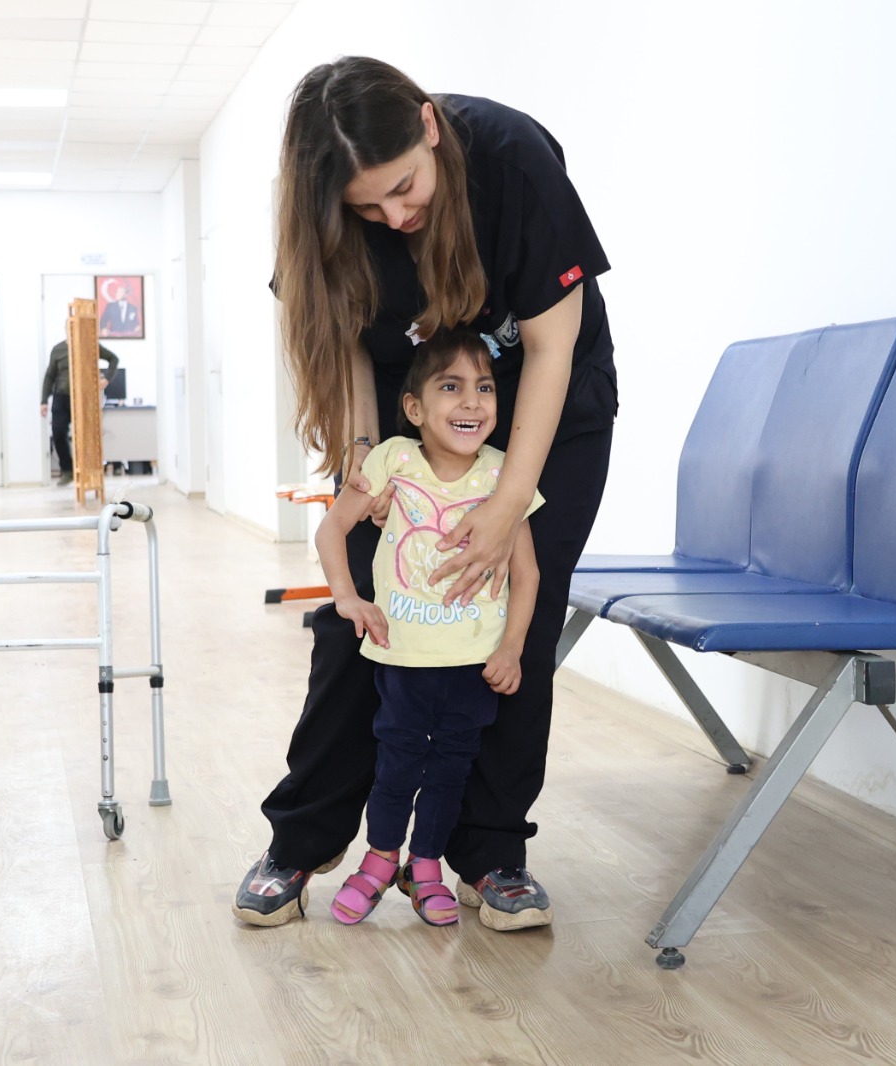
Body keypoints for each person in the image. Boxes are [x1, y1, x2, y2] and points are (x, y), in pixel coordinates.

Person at [234, 57, 616, 933]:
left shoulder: (512, 161)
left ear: (429, 126)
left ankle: (489, 852)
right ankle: (303, 838)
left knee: (516, 613)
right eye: (369, 209)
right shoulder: (322, 219)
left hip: (544, 405)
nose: (397, 218)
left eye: (405, 189)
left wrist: (507, 505)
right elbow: (346, 344)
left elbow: (552, 348)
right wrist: (362, 460)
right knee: (361, 614)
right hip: (407, 408)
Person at [317, 331, 541, 927]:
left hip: (472, 664)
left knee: (449, 772)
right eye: (451, 386)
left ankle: (426, 867)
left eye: (484, 388)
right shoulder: (392, 459)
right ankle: (378, 860)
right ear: (414, 408)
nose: (471, 402)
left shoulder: (504, 474)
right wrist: (347, 598)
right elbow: (332, 528)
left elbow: (528, 573)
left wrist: (513, 648)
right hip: (403, 658)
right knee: (396, 766)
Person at [39, 339, 118, 485]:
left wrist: (106, 379)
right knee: (58, 432)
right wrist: (44, 400)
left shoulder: (90, 344)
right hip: (61, 397)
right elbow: (50, 375)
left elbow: (113, 359)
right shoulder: (58, 349)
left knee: (86, 435)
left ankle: (89, 472)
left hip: (83, 398)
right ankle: (67, 471)